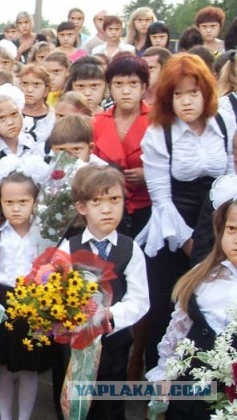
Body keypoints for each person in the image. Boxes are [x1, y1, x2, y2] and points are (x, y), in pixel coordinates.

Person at [137, 53, 236, 374]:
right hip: (174, 231)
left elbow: (232, 176)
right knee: (169, 306)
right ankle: (160, 390)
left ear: (205, 92)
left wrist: (222, 237)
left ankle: (213, 378)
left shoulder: (223, 121)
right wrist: (193, 246)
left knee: (215, 307)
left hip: (220, 224)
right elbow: (161, 200)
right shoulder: (157, 134)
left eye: (193, 92)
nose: (186, 101)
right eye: (178, 94)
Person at [60, 165, 149, 419]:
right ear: (82, 208)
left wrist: (109, 314)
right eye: (97, 202)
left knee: (110, 404)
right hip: (76, 343)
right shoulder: (70, 248)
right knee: (75, 403)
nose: (107, 209)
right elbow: (58, 292)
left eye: (114, 200)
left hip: (114, 343)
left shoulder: (130, 250)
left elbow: (140, 299)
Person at [145, 178, 237, 418]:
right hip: (192, 395)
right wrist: (165, 373)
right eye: (232, 229)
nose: (236, 238)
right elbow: (178, 330)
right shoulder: (203, 277)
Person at [0, 159, 52, 420]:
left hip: (34, 304)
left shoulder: (43, 234)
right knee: (4, 367)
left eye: (23, 202)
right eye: (9, 202)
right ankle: (5, 416)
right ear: (0, 203)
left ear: (35, 202)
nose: (16, 208)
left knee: (29, 368)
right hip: (3, 300)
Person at [93, 53, 152, 237]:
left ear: (144, 87)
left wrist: (149, 173)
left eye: (133, 84)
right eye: (119, 84)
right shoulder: (96, 123)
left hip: (148, 208)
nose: (126, 91)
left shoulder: (159, 121)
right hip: (105, 209)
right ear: (110, 87)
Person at [20, 65, 55, 146]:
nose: (29, 90)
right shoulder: (11, 113)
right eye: (24, 83)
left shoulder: (54, 118)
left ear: (46, 90)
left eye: (36, 84)